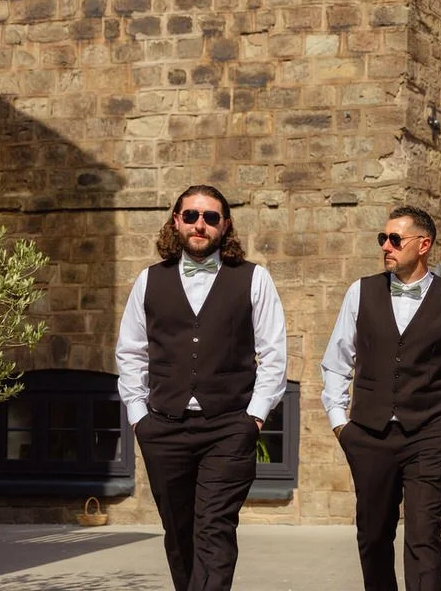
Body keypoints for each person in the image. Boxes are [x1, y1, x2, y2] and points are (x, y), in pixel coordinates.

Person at [116, 184, 288, 591]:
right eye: (191, 215)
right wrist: (139, 418)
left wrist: (254, 418)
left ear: (224, 225)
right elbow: (130, 352)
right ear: (176, 221)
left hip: (229, 427)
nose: (200, 224)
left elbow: (274, 354)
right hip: (163, 427)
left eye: (211, 217)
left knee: (214, 528)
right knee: (178, 533)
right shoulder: (149, 280)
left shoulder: (254, 279)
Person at [321, 206, 441, 591]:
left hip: (429, 436)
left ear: (423, 245)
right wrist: (340, 423)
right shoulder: (360, 292)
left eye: (395, 239)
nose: (386, 247)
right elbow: (336, 361)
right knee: (373, 535)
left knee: (424, 536)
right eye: (384, 238)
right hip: (368, 435)